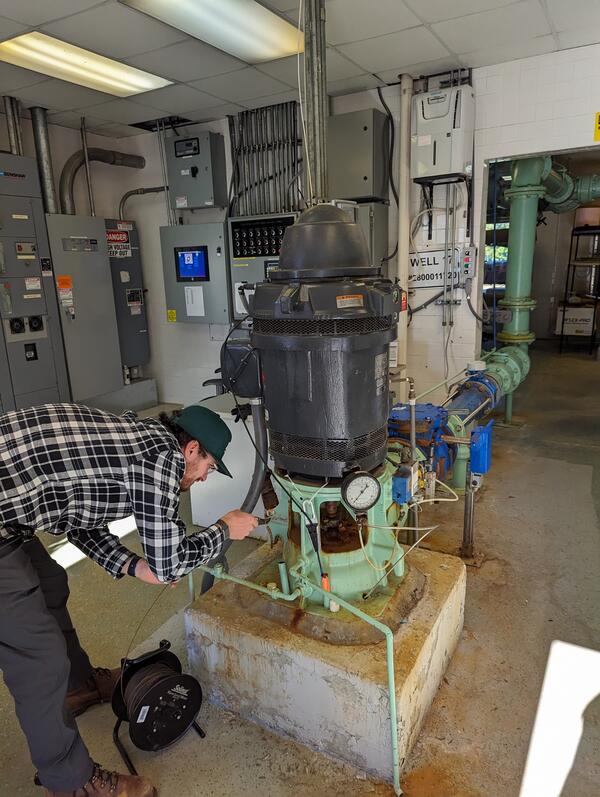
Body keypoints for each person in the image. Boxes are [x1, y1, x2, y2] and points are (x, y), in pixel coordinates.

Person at [0, 402, 258, 797]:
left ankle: (78, 686)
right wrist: (224, 529)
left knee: (50, 583)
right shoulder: (162, 460)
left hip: (10, 514)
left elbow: (77, 519)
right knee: (38, 657)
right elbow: (170, 563)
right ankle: (71, 783)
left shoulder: (137, 438)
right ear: (191, 450)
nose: (205, 476)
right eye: (208, 466)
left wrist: (136, 566)